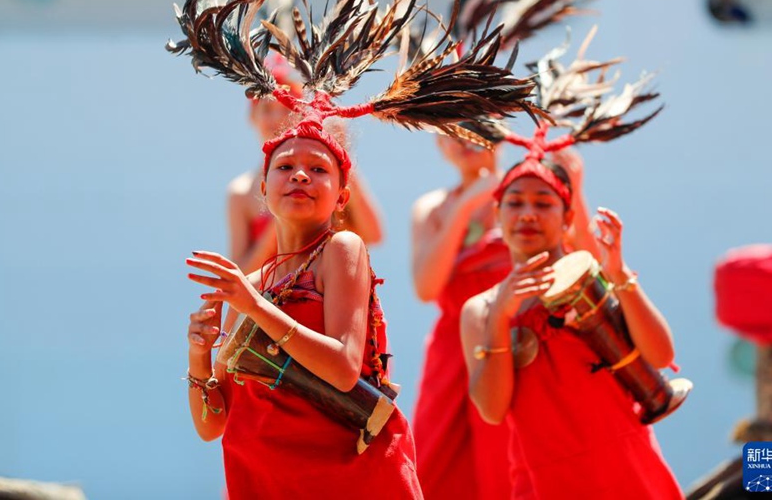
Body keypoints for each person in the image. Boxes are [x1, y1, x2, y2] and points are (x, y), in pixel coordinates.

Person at [185, 121, 423, 499]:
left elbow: (344, 369)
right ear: (264, 191)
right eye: (284, 167)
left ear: (342, 198)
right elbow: (212, 425)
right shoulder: (250, 286)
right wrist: (198, 355)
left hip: (344, 478)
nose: (299, 175)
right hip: (263, 479)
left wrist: (256, 307)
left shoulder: (341, 249)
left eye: (318, 169)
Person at [460, 155, 684, 499]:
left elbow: (660, 355)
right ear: (498, 216)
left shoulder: (595, 276)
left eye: (544, 203)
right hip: (544, 480)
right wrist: (501, 318)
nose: (528, 214)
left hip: (627, 468)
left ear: (568, 219)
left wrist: (620, 276)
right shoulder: (482, 310)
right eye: (515, 203)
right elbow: (491, 410)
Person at [410, 131, 597, 499]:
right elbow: (425, 288)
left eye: (477, 128)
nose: (466, 139)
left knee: (516, 460)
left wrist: (575, 191)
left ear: (502, 134)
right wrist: (465, 205)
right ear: (439, 143)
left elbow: (590, 267)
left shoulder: (527, 196)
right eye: (452, 130)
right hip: (454, 352)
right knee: (436, 465)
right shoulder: (432, 207)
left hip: (527, 342)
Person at [226, 60, 384, 274]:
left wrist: (341, 156)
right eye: (267, 109)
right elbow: (240, 275)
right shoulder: (241, 192)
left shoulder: (324, 180)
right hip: (267, 298)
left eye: (286, 109)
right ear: (252, 117)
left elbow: (373, 234)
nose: (277, 118)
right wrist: (281, 220)